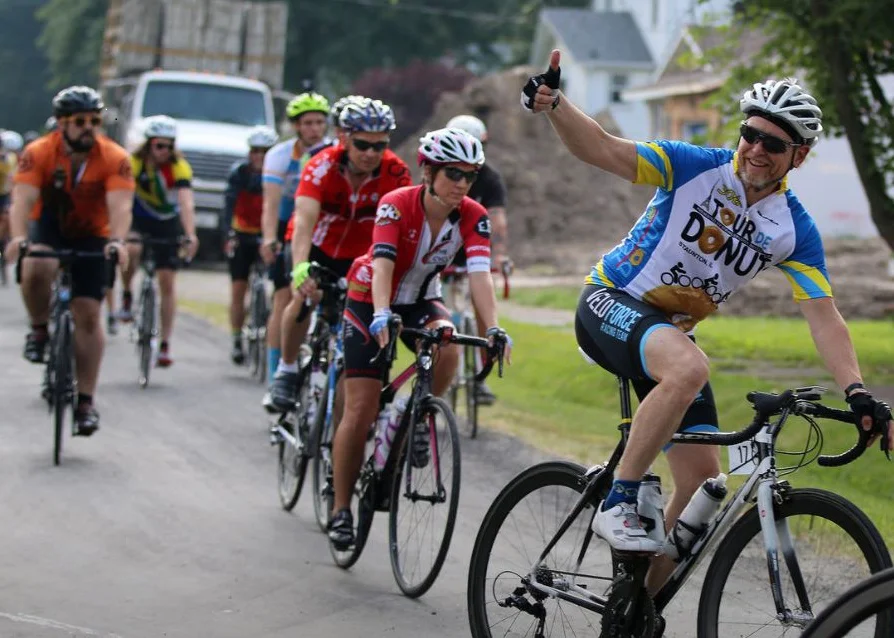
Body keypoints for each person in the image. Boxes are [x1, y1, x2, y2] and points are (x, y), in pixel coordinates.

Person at [522, 50, 894, 588]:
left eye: (774, 144)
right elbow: (603, 149)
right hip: (610, 300)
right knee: (690, 367)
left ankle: (634, 610)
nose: (757, 150)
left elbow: (824, 316)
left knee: (705, 489)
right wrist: (555, 104)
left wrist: (858, 391)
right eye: (751, 134)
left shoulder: (793, 229)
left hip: (666, 339)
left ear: (800, 156)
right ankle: (620, 498)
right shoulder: (692, 165)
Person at [327, 126, 511, 549]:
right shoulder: (396, 205)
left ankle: (414, 414)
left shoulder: (472, 214)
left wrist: (494, 328)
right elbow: (384, 264)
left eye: (469, 176)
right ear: (427, 171)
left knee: (447, 343)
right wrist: (379, 314)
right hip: (369, 297)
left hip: (422, 299)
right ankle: (341, 508)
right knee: (361, 407)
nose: (461, 184)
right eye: (452, 173)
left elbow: (481, 277)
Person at [265, 97, 412, 413]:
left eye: (380, 145)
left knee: (377, 317)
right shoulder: (320, 165)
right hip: (318, 247)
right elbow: (303, 221)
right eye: (363, 144)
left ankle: (374, 394)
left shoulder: (396, 172)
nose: (371, 153)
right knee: (306, 297)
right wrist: (301, 266)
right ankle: (287, 370)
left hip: (361, 257)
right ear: (344, 138)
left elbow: (401, 229)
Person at [5, 86, 133, 434]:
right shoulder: (39, 152)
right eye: (81, 121)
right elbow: (22, 200)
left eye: (96, 120)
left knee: (89, 314)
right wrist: (18, 238)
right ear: (62, 124)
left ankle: (86, 402)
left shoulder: (114, 156)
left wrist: (119, 241)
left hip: (94, 232)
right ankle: (38, 329)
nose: (89, 127)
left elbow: (121, 206)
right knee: (37, 265)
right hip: (51, 225)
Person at [260, 92, 333, 405]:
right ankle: (278, 373)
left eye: (319, 122)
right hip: (286, 226)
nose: (314, 129)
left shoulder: (334, 152)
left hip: (323, 227)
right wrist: (268, 238)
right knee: (283, 298)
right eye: (308, 123)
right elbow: (270, 202)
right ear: (296, 126)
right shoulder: (279, 156)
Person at [118, 115, 199, 367]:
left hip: (166, 222)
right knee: (132, 248)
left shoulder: (179, 167)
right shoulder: (133, 163)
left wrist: (190, 233)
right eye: (158, 145)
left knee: (167, 282)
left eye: (168, 145)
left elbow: (186, 202)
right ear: (149, 144)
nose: (164, 151)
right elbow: (123, 200)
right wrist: (121, 233)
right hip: (139, 217)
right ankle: (128, 293)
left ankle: (165, 343)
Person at [444, 113, 512, 405]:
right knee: (441, 314)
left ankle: (482, 374)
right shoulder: (438, 175)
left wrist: (501, 255)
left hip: (474, 248)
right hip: (443, 251)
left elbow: (498, 221)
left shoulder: (490, 177)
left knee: (485, 312)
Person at [225, 125, 278, 363]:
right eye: (255, 151)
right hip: (243, 234)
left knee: (279, 288)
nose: (260, 156)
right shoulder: (239, 173)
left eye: (265, 151)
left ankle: (270, 326)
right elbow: (228, 205)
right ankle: (237, 338)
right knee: (238, 289)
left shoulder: (279, 173)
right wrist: (228, 234)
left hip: (268, 236)